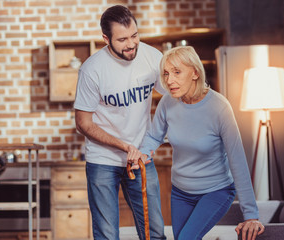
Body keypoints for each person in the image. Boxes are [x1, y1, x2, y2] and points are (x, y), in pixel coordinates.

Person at [127, 46, 265, 240]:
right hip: (180, 192)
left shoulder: (219, 107)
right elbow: (153, 136)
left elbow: (237, 160)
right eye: (166, 74)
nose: (169, 80)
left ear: (195, 73)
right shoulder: (167, 102)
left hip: (216, 191)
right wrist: (143, 152)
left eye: (177, 72)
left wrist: (251, 215)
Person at [74, 5, 166, 240]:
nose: (131, 44)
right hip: (102, 160)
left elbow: (174, 96)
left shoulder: (152, 57)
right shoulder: (92, 70)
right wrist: (124, 146)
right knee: (106, 235)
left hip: (142, 158)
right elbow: (83, 123)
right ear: (106, 39)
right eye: (122, 39)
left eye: (134, 35)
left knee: (154, 232)